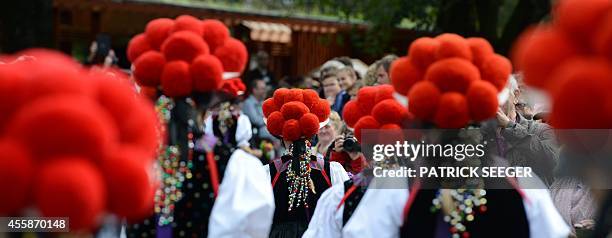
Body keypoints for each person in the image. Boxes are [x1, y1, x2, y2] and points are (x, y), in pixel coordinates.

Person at [262, 88, 349, 238]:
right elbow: (344, 212)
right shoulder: (332, 170)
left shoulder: (267, 173)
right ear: (313, 133)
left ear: (281, 137)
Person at [242, 78, 276, 142]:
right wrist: (269, 118)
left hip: (267, 136)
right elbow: (256, 121)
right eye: (262, 89)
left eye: (265, 89)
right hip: (257, 137)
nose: (265, 91)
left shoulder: (262, 102)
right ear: (254, 90)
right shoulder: (248, 103)